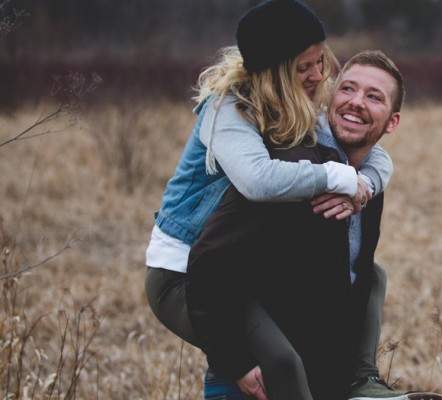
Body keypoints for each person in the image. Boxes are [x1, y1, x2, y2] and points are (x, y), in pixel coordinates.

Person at [142, 0, 396, 398]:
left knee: (369, 276)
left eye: (320, 62)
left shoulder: (297, 100)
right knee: (280, 363)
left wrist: (363, 187)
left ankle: (361, 382)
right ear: (276, 71)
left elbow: (367, 149)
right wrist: (335, 175)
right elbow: (257, 180)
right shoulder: (228, 108)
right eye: (304, 67)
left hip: (235, 266)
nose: (318, 76)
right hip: (185, 270)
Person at [187, 50, 442, 400]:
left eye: (373, 96)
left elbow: (340, 286)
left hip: (314, 375)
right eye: (348, 89)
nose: (356, 102)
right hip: (253, 380)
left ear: (392, 122)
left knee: (371, 274)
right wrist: (234, 363)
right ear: (329, 98)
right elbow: (209, 262)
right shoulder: (291, 167)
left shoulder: (365, 180)